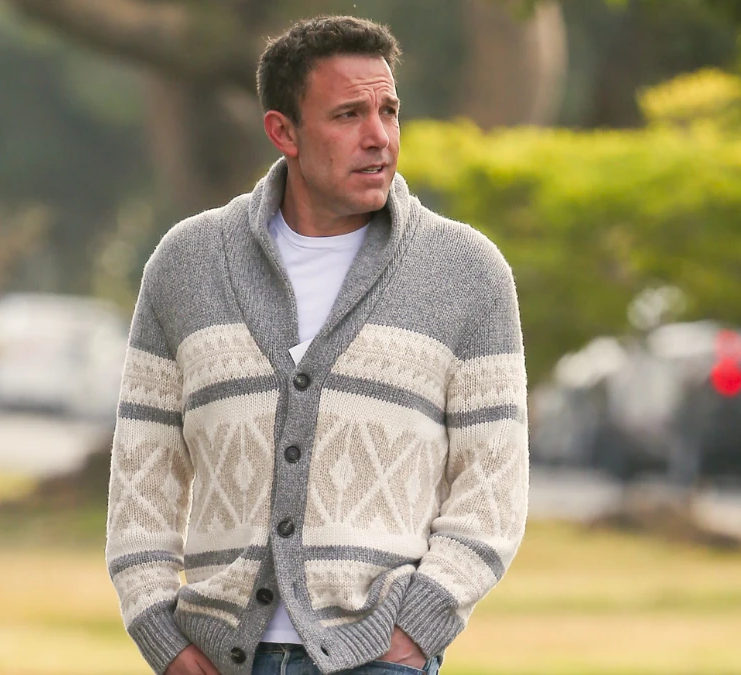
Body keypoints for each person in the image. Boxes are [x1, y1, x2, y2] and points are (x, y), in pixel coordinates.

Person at [106, 14, 529, 675]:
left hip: (378, 656)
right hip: (218, 659)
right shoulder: (188, 265)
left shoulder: (466, 274)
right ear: (284, 131)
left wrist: (416, 628)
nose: (379, 136)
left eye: (389, 110)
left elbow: (493, 488)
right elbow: (142, 474)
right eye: (349, 114)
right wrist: (161, 635)